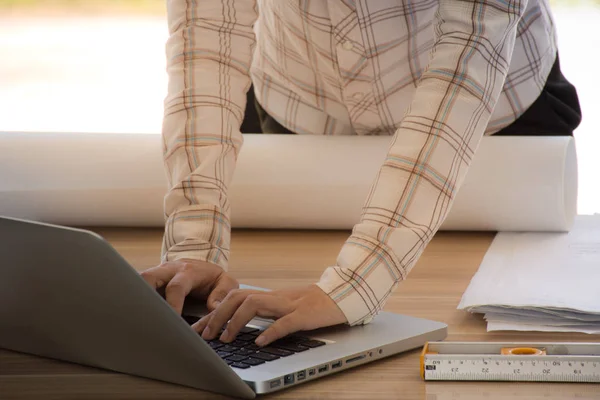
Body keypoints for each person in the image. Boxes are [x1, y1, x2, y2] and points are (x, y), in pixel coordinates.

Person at [141, 0, 581, 348]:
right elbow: (207, 32)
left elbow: (471, 46)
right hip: (303, 102)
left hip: (494, 112)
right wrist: (195, 243)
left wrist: (353, 286)